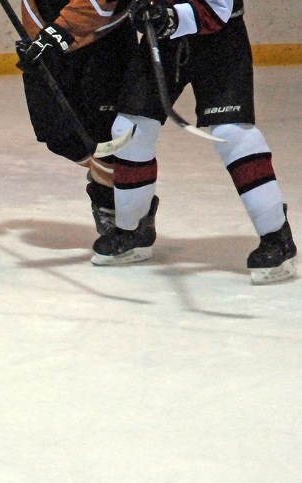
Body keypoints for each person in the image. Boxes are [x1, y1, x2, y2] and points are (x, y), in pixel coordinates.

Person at [91, 0, 296, 284]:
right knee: (130, 129)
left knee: (233, 134)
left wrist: (171, 16)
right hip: (162, 36)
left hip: (219, 43)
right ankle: (133, 228)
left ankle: (276, 236)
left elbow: (219, 8)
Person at [16, 0, 138, 235]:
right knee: (58, 135)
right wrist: (41, 36)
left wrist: (61, 30)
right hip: (48, 41)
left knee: (107, 139)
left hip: (104, 42)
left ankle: (119, 210)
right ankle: (120, 183)